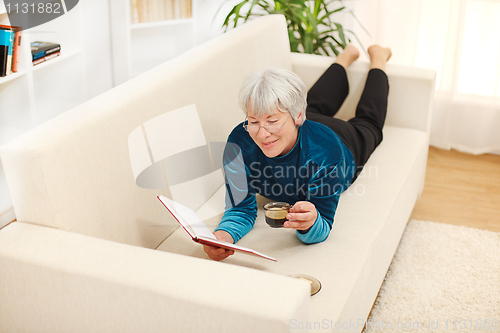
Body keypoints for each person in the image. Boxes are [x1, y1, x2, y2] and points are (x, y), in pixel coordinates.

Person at [204, 44, 392, 261]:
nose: (262, 134)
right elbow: (240, 210)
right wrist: (221, 238)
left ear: (297, 117)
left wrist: (311, 223)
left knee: (369, 124)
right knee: (316, 106)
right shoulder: (239, 142)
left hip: (343, 140)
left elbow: (323, 224)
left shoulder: (327, 153)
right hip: (302, 126)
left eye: (272, 121)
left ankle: (379, 58)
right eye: (253, 121)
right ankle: (344, 59)